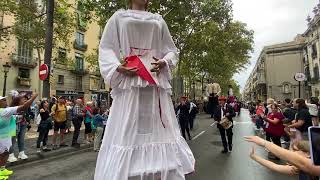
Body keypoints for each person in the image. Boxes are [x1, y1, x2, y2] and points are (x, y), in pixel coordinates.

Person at [95, 0, 195, 179]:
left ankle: (160, 166)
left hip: (154, 81)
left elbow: (171, 50)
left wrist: (164, 62)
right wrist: (118, 66)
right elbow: (106, 48)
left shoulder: (159, 20)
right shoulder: (118, 17)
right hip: (131, 80)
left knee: (156, 122)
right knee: (128, 125)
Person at [0, 93, 37, 179]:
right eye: (3, 100)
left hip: (7, 135)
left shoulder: (6, 110)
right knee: (2, 154)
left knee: (5, 153)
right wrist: (33, 97)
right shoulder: (4, 111)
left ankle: (2, 169)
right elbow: (23, 107)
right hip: (2, 136)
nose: (6, 101)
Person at [245, 136, 320, 177]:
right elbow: (274, 166)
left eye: (296, 150)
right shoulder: (296, 168)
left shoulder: (315, 165)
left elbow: (302, 162)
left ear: (308, 153)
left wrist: (264, 143)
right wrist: (254, 157)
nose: (292, 153)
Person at [8, 92, 31, 162]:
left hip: (23, 124)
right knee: (12, 140)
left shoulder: (26, 107)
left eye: (26, 99)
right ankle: (10, 155)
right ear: (18, 99)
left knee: (21, 139)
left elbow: (27, 115)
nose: (25, 100)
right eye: (24, 98)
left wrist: (28, 122)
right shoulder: (12, 107)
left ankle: (21, 153)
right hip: (13, 124)